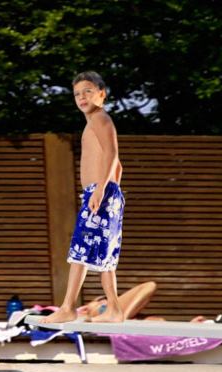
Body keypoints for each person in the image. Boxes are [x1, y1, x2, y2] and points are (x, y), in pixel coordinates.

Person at [44, 71, 125, 324]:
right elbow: (118, 164)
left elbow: (112, 152)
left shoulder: (100, 119)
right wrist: (110, 189)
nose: (82, 97)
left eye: (88, 91)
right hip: (105, 192)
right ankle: (114, 309)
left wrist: (100, 189)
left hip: (100, 192)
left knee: (79, 251)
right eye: (77, 93)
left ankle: (68, 307)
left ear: (102, 94)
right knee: (105, 257)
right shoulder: (95, 122)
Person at [78, 281, 157, 321]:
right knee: (151, 285)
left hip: (107, 313)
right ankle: (124, 317)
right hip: (108, 312)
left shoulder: (93, 306)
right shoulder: (95, 306)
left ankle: (124, 317)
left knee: (156, 320)